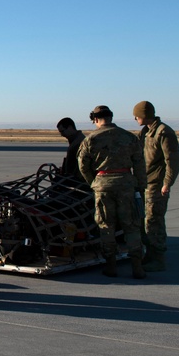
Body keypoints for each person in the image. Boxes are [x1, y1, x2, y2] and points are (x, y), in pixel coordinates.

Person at [77, 105, 147, 279]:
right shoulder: (129, 137)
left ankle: (111, 266)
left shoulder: (90, 139)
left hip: (103, 186)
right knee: (131, 226)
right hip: (126, 184)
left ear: (95, 119)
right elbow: (139, 164)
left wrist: (94, 182)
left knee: (106, 226)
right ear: (111, 117)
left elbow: (83, 165)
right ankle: (137, 267)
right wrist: (139, 186)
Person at [133, 101, 179, 272]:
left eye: (137, 115)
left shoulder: (163, 132)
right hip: (145, 184)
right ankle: (150, 256)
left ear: (144, 115)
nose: (135, 118)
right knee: (145, 222)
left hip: (157, 185)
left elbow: (173, 160)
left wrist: (167, 183)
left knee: (154, 222)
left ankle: (158, 259)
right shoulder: (145, 133)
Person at [56, 117, 86, 181]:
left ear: (70, 127)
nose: (62, 135)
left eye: (62, 131)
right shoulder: (76, 141)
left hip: (76, 180)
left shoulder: (78, 143)